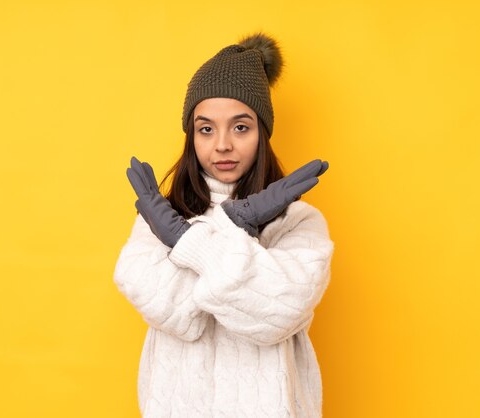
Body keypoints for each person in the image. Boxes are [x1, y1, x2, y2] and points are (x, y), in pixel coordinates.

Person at [114, 31, 334, 417]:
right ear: (191, 136)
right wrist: (227, 231)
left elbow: (277, 315)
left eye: (240, 127)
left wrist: (189, 242)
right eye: (206, 128)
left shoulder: (300, 221)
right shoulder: (159, 216)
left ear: (262, 133)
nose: (222, 145)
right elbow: (175, 313)